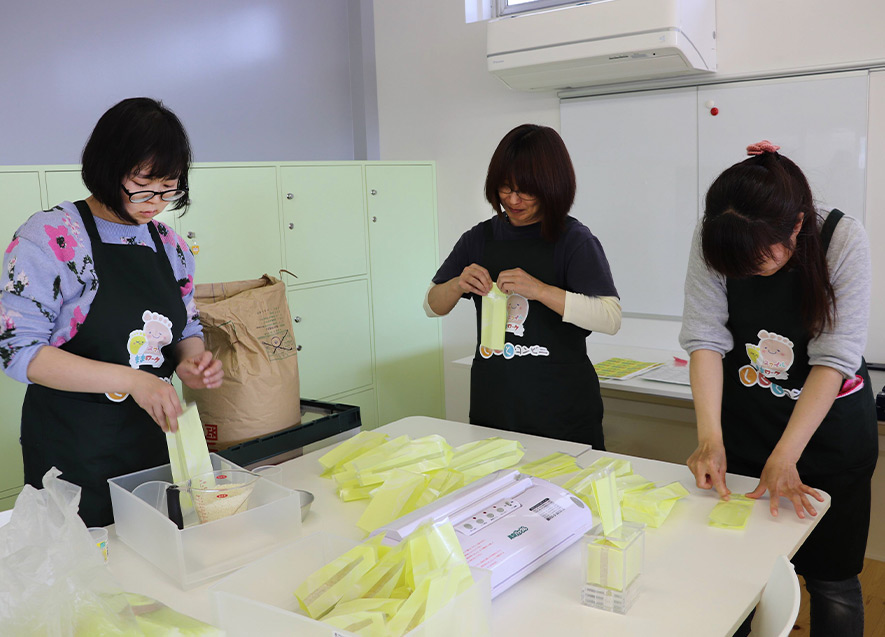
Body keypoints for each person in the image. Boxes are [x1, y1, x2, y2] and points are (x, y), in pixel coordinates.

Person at [680, 140, 878, 636]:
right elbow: (705, 337)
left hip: (828, 433)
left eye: (760, 259)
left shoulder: (841, 239)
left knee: (831, 580)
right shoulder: (718, 237)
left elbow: (833, 358)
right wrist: (710, 439)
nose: (747, 272)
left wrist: (787, 454)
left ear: (796, 225)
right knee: (740, 566)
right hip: (747, 424)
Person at [0, 97, 223, 527]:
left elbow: (185, 324)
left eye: (168, 188)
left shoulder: (169, 244)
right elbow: (18, 351)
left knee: (157, 560)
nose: (154, 202)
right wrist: (132, 379)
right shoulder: (51, 237)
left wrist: (192, 359)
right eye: (142, 184)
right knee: (89, 572)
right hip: (74, 447)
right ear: (106, 167)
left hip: (154, 440)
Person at [425, 124, 621, 447]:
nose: (513, 200)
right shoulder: (479, 239)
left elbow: (610, 317)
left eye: (526, 190)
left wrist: (540, 290)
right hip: (495, 413)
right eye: (505, 187)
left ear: (552, 186)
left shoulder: (573, 240)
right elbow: (431, 304)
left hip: (563, 418)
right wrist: (458, 284)